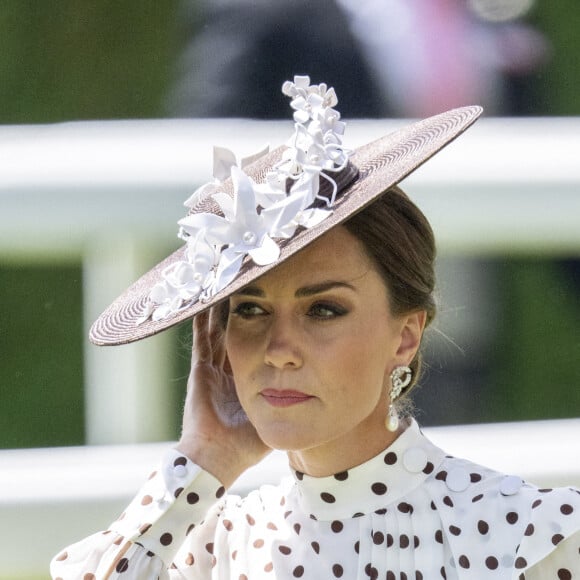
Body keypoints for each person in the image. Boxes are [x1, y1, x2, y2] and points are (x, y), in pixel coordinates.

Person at [51, 76, 579, 579]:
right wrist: (204, 456)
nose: (278, 351)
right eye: (251, 310)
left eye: (323, 310)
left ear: (406, 336)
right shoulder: (210, 550)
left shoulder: (530, 538)